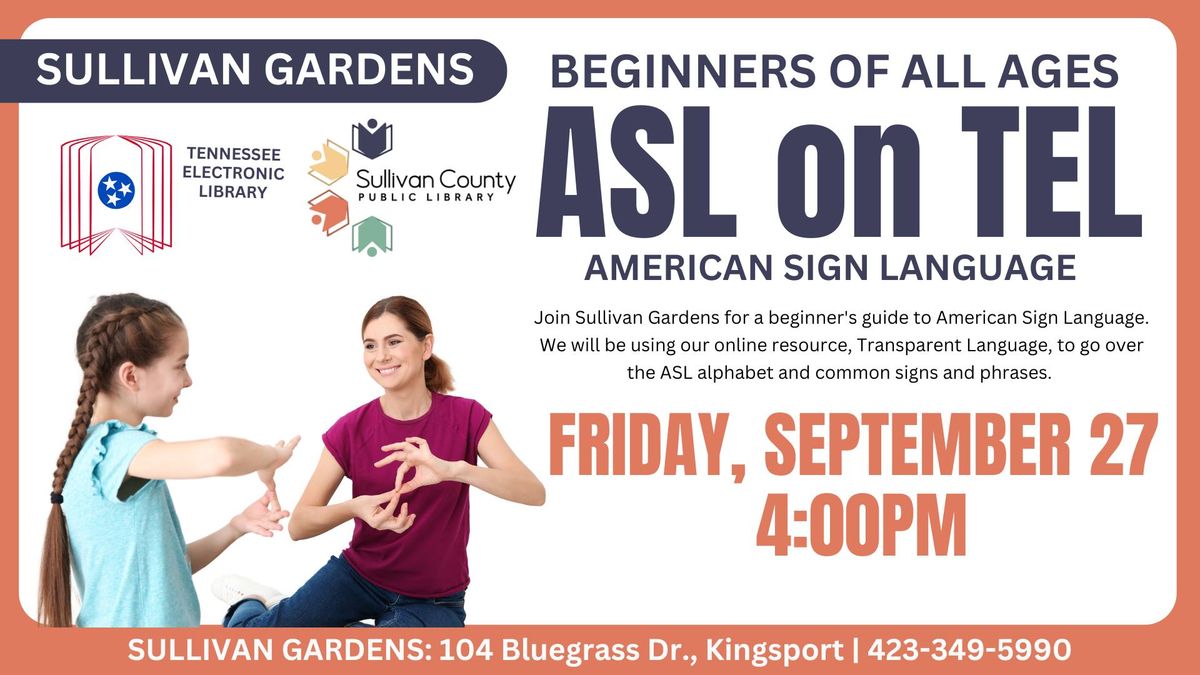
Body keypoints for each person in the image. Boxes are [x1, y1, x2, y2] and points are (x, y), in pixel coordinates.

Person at [216, 296, 545, 627]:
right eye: (370, 346)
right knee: (253, 646)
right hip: (358, 577)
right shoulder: (350, 429)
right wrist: (354, 507)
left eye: (394, 342)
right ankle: (254, 603)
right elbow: (300, 525)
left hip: (434, 600)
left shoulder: (468, 416)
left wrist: (455, 470)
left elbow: (533, 492)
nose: (381, 356)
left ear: (426, 346)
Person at [38, 293, 298, 627]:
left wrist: (234, 527)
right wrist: (270, 456)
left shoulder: (98, 453)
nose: (188, 380)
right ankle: (249, 609)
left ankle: (249, 606)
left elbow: (167, 572)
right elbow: (222, 456)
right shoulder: (116, 451)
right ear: (131, 376)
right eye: (180, 365)